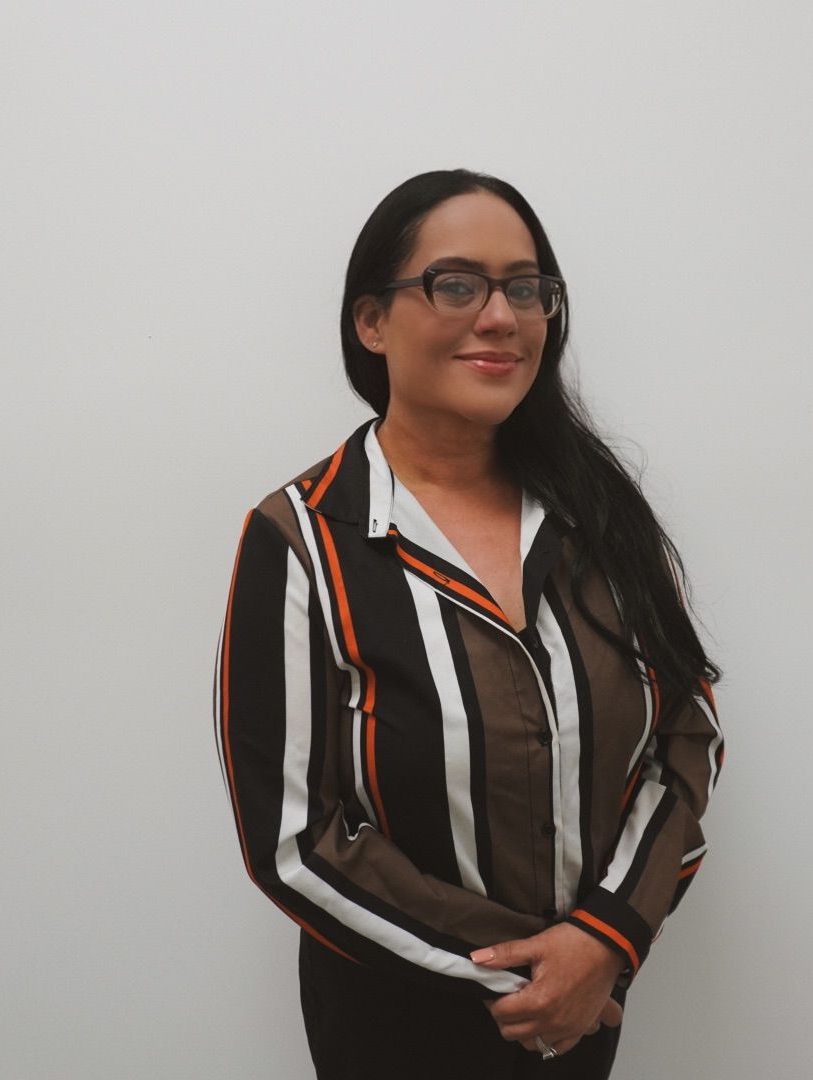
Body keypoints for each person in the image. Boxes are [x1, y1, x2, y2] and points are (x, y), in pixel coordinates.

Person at [213, 168, 724, 1079]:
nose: (502, 317)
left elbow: (687, 735)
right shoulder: (301, 541)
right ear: (371, 322)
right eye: (457, 284)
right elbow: (292, 840)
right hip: (398, 1031)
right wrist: (529, 977)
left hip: (585, 1018)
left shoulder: (602, 522)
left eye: (526, 288)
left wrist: (604, 938)